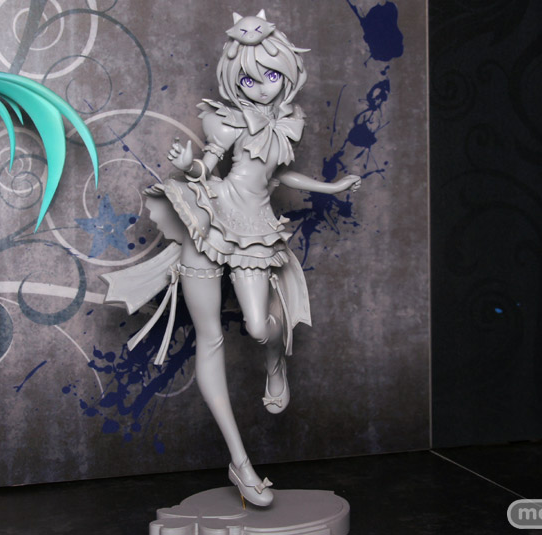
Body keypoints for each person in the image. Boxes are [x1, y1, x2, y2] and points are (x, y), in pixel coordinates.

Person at [115, 10, 360, 507]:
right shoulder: (226, 118)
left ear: (288, 73)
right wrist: (190, 165)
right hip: (210, 217)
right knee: (210, 339)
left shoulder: (288, 121)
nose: (262, 86)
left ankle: (275, 359)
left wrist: (330, 187)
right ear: (233, 79)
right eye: (249, 78)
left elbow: (275, 176)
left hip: (254, 229)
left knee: (257, 327)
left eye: (271, 75)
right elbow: (209, 163)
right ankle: (240, 463)